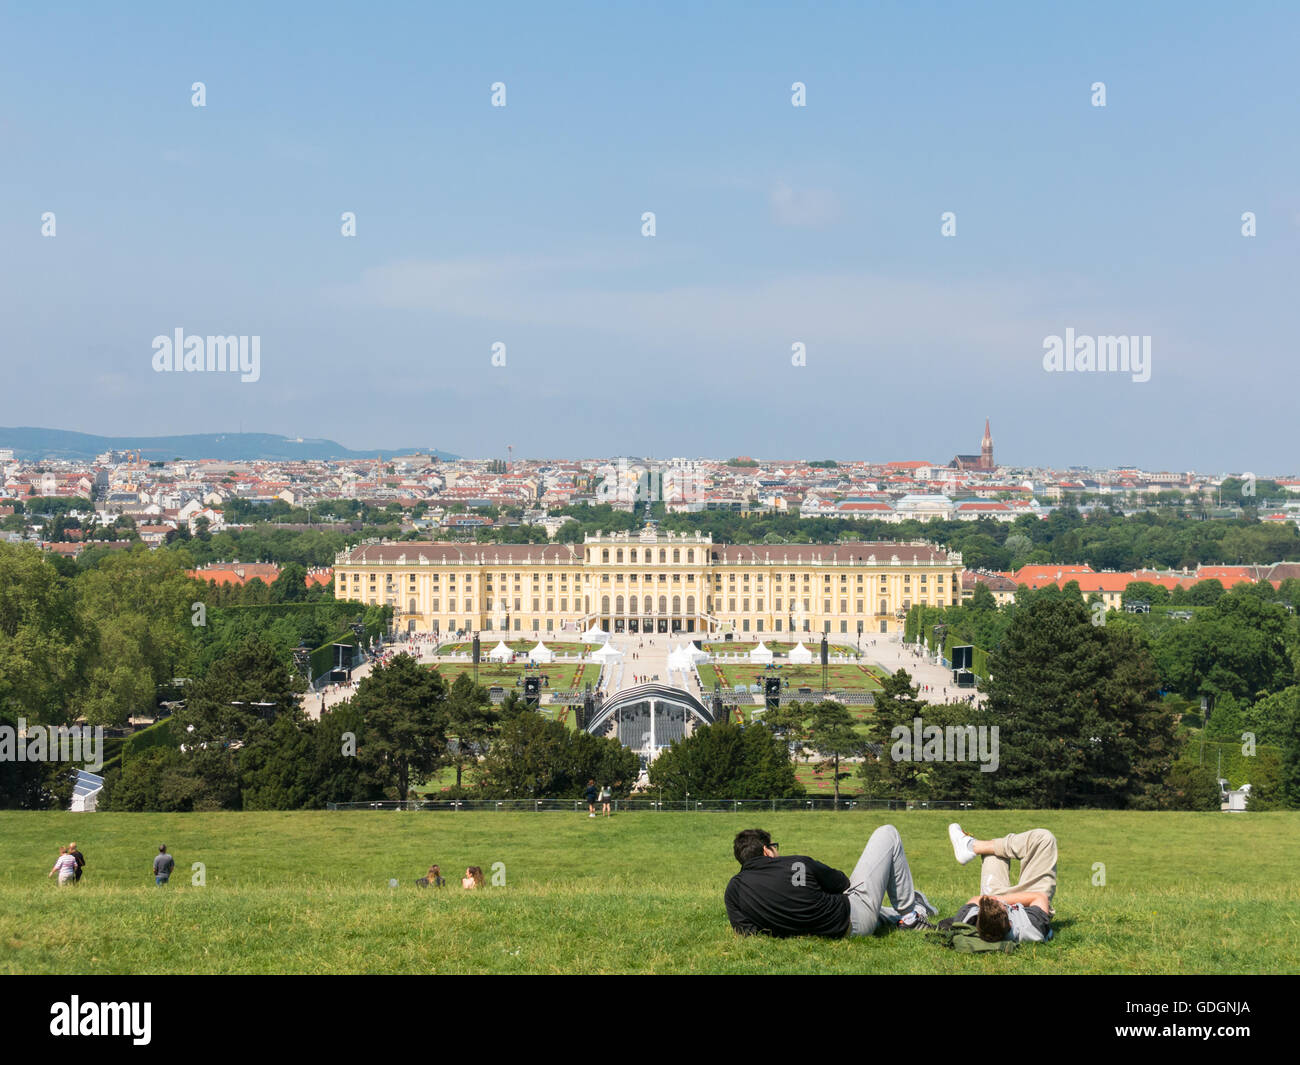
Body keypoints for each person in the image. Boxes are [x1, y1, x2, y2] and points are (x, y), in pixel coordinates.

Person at [725, 825, 936, 938]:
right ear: (766, 850)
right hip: (850, 921)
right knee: (887, 833)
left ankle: (915, 908)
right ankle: (911, 914)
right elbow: (843, 884)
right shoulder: (796, 864)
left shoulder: (734, 889)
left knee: (871, 909)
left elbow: (745, 931)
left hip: (835, 926)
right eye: (775, 846)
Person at [945, 823, 1056, 943]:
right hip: (1032, 902)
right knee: (1044, 838)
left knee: (992, 852)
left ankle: (970, 846)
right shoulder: (1032, 925)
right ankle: (973, 846)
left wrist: (997, 901)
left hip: (1009, 898)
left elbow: (975, 899)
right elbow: (1039, 897)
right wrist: (997, 899)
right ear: (1009, 920)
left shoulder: (968, 919)